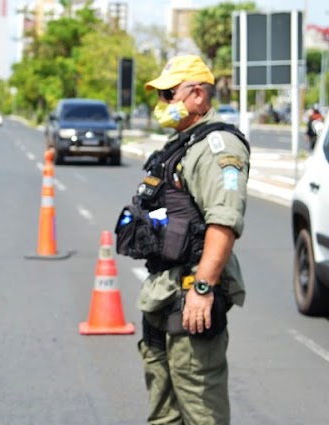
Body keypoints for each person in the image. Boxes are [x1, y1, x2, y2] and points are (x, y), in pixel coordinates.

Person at [114, 55, 250, 424]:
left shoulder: (218, 148)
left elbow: (223, 222)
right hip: (162, 293)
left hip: (191, 294)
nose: (163, 105)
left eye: (168, 94)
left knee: (201, 408)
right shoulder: (183, 145)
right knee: (163, 408)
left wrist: (203, 289)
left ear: (197, 96)